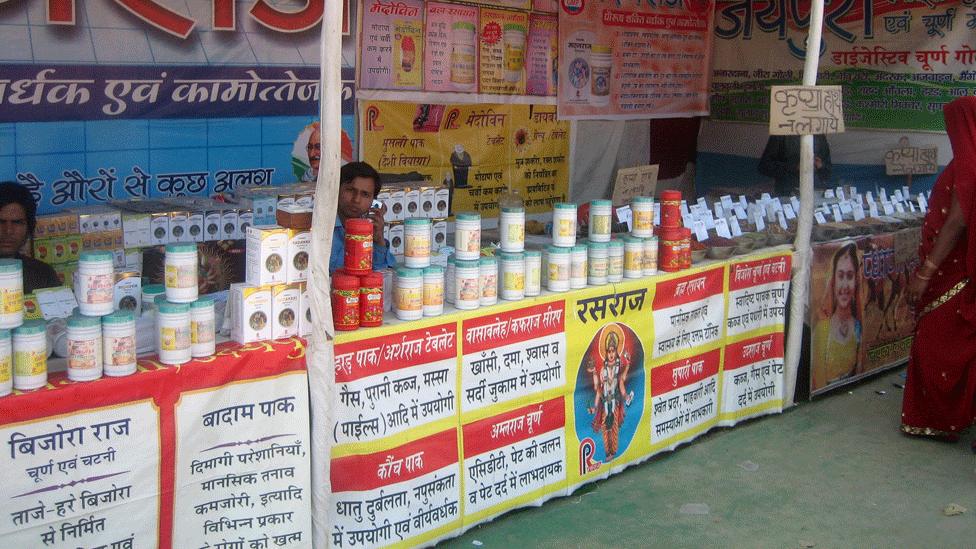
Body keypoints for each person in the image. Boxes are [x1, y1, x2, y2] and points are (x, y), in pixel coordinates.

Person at [902, 97, 976, 445]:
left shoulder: (969, 166)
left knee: (940, 340)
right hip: (954, 270)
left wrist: (926, 272)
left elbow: (956, 223)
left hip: (954, 273)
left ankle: (938, 419)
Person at [811, 241, 862, 390]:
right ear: (833, 281)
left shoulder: (858, 327)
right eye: (840, 276)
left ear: (856, 281)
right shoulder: (822, 330)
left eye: (850, 276)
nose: (845, 286)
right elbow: (818, 382)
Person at [330, 162, 396, 273]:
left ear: (373, 201)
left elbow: (380, 276)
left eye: (365, 194)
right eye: (350, 190)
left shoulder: (369, 229)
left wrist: (379, 240)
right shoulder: (318, 224)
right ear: (337, 189)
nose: (356, 200)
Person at [0, 181, 61, 293]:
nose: (8, 231)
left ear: (29, 227)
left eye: (17, 222)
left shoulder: (42, 274)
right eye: (1, 222)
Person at [586, 323, 634, 461]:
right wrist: (595, 407)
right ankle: (608, 453)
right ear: (606, 352)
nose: (611, 354)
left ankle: (613, 452)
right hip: (604, 402)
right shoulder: (603, 370)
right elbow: (598, 389)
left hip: (615, 402)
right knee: (604, 429)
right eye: (609, 351)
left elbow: (621, 383)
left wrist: (626, 397)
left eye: (613, 351)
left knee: (613, 429)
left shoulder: (619, 367)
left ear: (616, 352)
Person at [758, 134, 832, 196]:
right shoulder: (781, 134)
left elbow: (828, 171)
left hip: (816, 192)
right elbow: (764, 166)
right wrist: (794, 167)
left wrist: (821, 166)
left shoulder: (819, 136)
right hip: (787, 194)